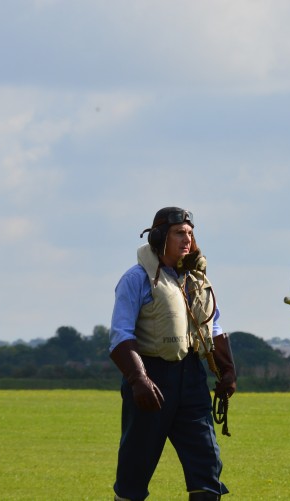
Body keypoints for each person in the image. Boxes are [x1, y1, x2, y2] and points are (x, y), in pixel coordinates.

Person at [109, 207, 237, 501]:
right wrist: (138, 379)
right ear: (158, 237)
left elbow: (213, 326)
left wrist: (227, 370)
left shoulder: (196, 280)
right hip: (150, 379)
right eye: (179, 233)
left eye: (190, 233)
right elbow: (120, 336)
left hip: (192, 379)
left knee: (207, 470)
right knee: (134, 471)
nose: (187, 239)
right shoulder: (135, 279)